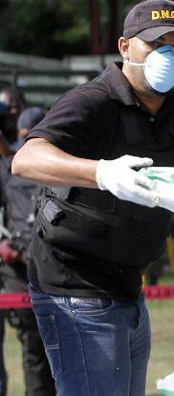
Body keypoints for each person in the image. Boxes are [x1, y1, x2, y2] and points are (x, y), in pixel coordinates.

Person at [11, 0, 174, 396]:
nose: (169, 55)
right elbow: (26, 159)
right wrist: (101, 172)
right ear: (125, 48)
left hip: (129, 284)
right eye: (156, 44)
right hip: (73, 285)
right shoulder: (93, 101)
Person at [0, 107, 55, 396]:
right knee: (35, 347)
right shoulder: (8, 173)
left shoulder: (58, 169)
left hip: (54, 273)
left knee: (52, 346)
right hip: (21, 274)